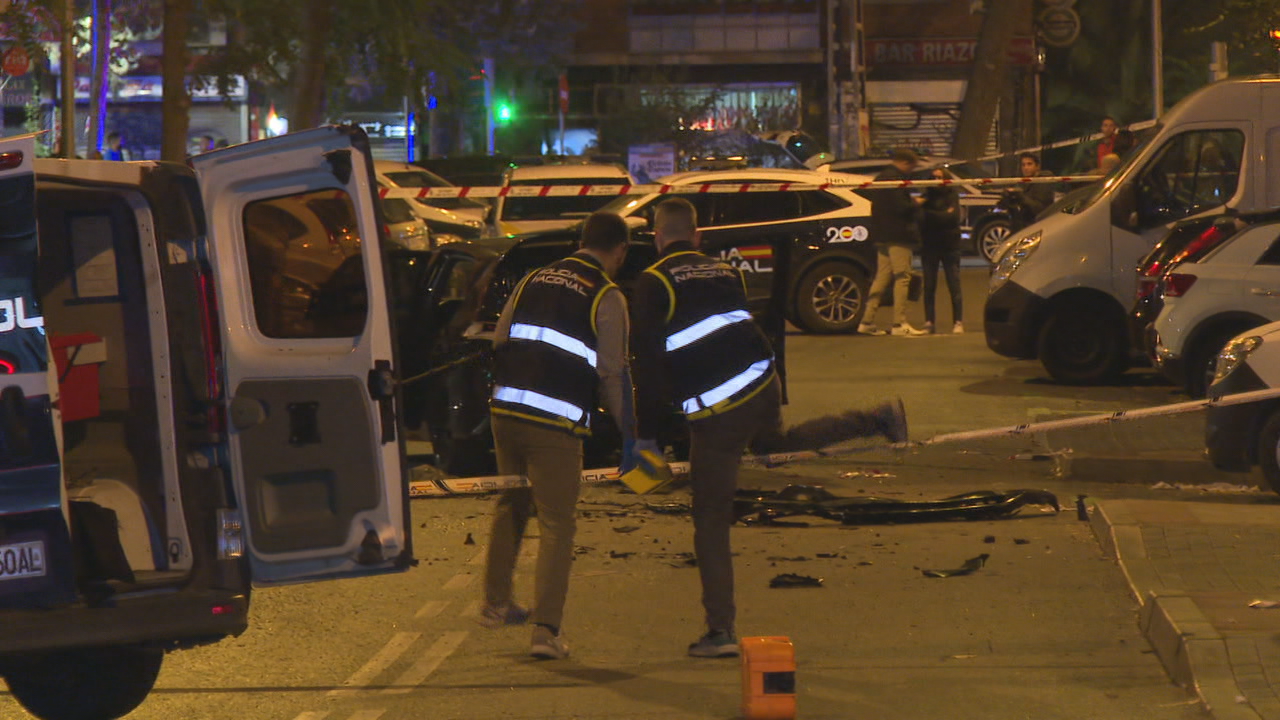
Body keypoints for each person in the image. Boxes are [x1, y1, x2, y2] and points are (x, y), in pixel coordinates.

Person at [630, 197, 909, 659]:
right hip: (761, 382)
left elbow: (648, 364)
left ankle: (720, 631)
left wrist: (646, 436)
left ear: (657, 238)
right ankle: (876, 419)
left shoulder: (653, 280)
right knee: (775, 444)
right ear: (697, 237)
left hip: (720, 409)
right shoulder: (725, 272)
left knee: (710, 520)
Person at [480, 212, 637, 661]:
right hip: (555, 423)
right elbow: (612, 371)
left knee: (511, 501)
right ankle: (545, 631)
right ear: (620, 251)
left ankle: (495, 603)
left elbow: (499, 339)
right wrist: (632, 433)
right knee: (557, 523)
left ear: (583, 240)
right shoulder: (607, 295)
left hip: (506, 411)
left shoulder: (534, 277)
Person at [856, 148, 927, 336]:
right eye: (912, 166)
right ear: (905, 163)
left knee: (881, 278)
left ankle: (866, 321)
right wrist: (916, 203)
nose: (912, 170)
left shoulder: (880, 178)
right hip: (898, 235)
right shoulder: (897, 180)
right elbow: (901, 208)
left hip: (882, 236)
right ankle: (899, 323)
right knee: (902, 277)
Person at [919, 167, 963, 334]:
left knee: (954, 285)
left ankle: (958, 321)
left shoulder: (952, 194)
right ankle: (929, 321)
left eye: (940, 177)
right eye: (934, 177)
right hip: (929, 246)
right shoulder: (927, 195)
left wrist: (931, 214)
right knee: (929, 286)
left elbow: (953, 217)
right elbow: (921, 217)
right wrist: (942, 214)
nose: (937, 180)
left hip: (950, 246)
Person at [1010, 153, 1055, 219]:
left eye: (1029, 164)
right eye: (1023, 165)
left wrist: (1020, 196)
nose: (1026, 168)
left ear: (1037, 166)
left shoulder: (1043, 181)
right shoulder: (1023, 182)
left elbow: (1040, 208)